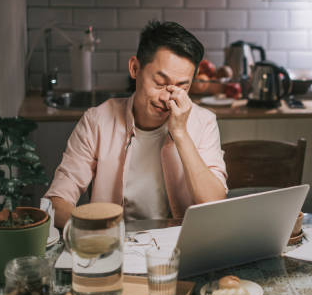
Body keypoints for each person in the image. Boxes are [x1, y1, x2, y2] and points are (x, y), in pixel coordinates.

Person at [44, 21, 228, 228]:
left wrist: (181, 134)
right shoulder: (97, 121)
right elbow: (57, 203)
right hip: (116, 245)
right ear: (135, 68)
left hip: (181, 244)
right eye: (159, 83)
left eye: (181, 87)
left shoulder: (204, 122)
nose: (167, 98)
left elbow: (214, 205)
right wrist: (100, 234)